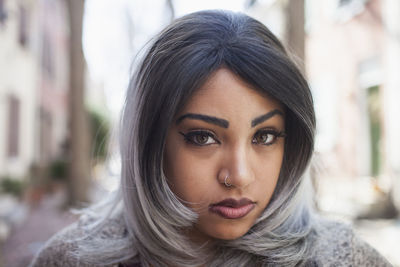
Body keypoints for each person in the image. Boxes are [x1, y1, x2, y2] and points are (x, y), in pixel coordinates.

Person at [30, 10, 392, 267]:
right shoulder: (70, 258)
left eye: (265, 136)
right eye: (203, 137)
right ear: (149, 143)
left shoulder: (340, 258)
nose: (239, 175)